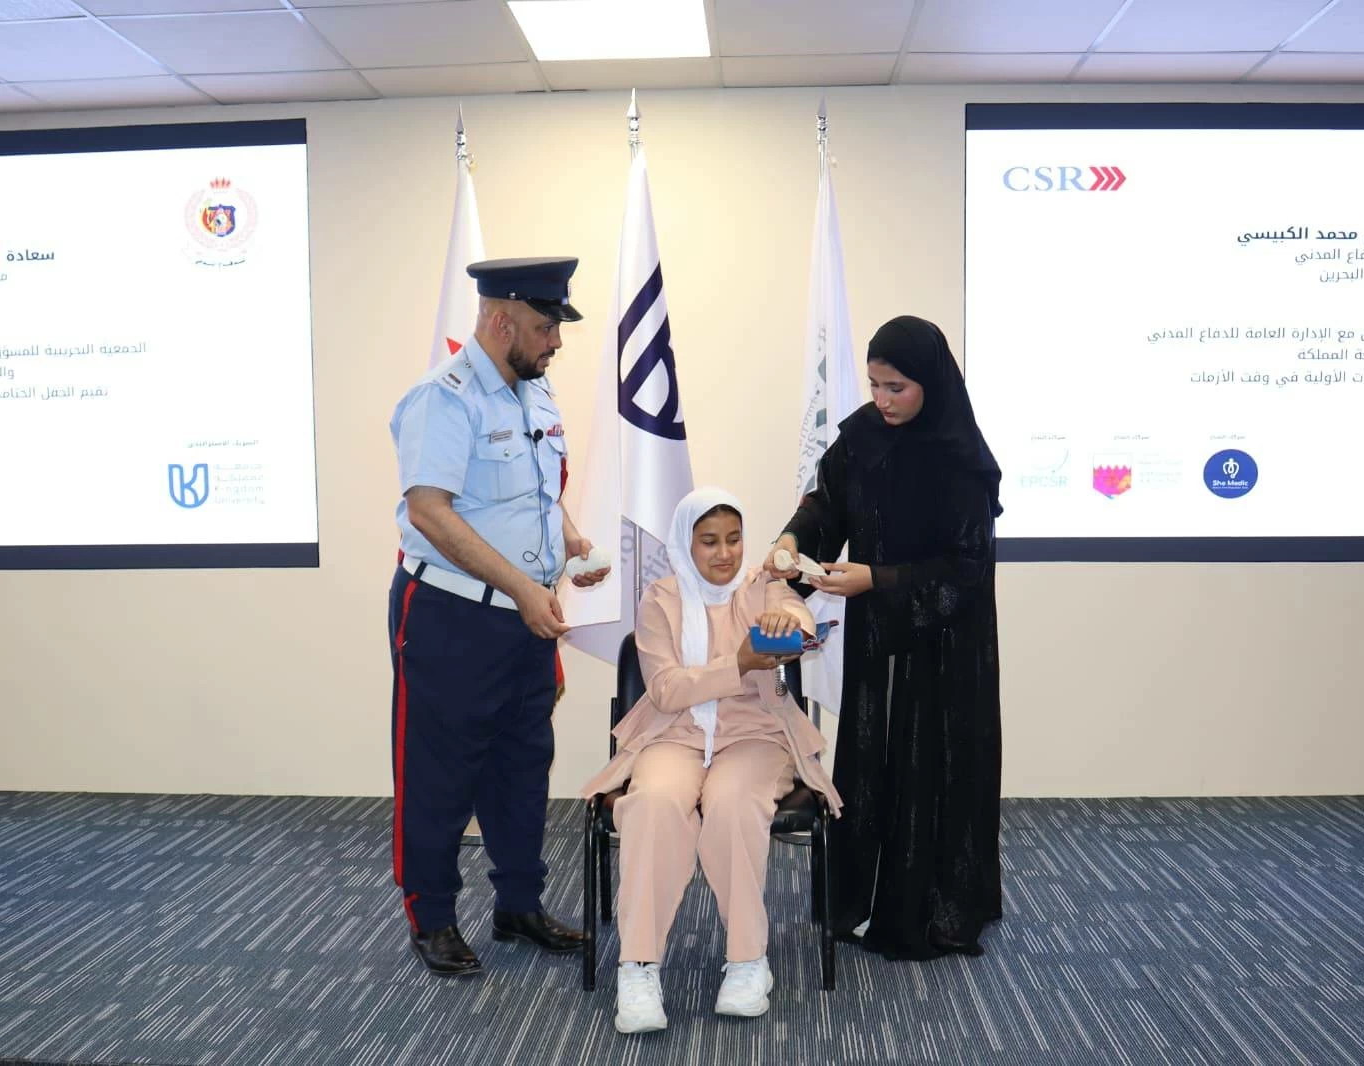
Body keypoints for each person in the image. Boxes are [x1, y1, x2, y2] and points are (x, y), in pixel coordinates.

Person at [387, 256, 610, 977]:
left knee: (521, 765)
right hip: (452, 615)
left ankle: (519, 905)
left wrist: (571, 543)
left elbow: (537, 494)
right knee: (440, 772)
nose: (557, 342)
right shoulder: (444, 400)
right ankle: (432, 917)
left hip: (524, 619)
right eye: (546, 327)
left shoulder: (533, 391)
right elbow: (430, 511)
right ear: (501, 320)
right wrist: (521, 586)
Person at [765, 315, 1003, 961]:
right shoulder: (862, 438)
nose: (883, 400)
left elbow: (968, 569)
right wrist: (793, 539)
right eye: (875, 385)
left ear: (931, 382)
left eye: (897, 387)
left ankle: (930, 912)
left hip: (946, 648)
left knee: (934, 768)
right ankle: (860, 901)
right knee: (873, 760)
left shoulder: (961, 460)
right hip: (878, 638)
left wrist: (879, 578)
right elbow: (825, 506)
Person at [582, 488, 843, 1034]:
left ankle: (748, 960)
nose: (725, 553)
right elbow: (667, 690)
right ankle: (638, 965)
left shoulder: (762, 585)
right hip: (673, 733)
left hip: (754, 734)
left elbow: (797, 623)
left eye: (734, 539)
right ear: (686, 543)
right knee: (653, 803)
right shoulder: (660, 599)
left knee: (732, 803)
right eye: (709, 542)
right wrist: (739, 662)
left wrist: (789, 628)